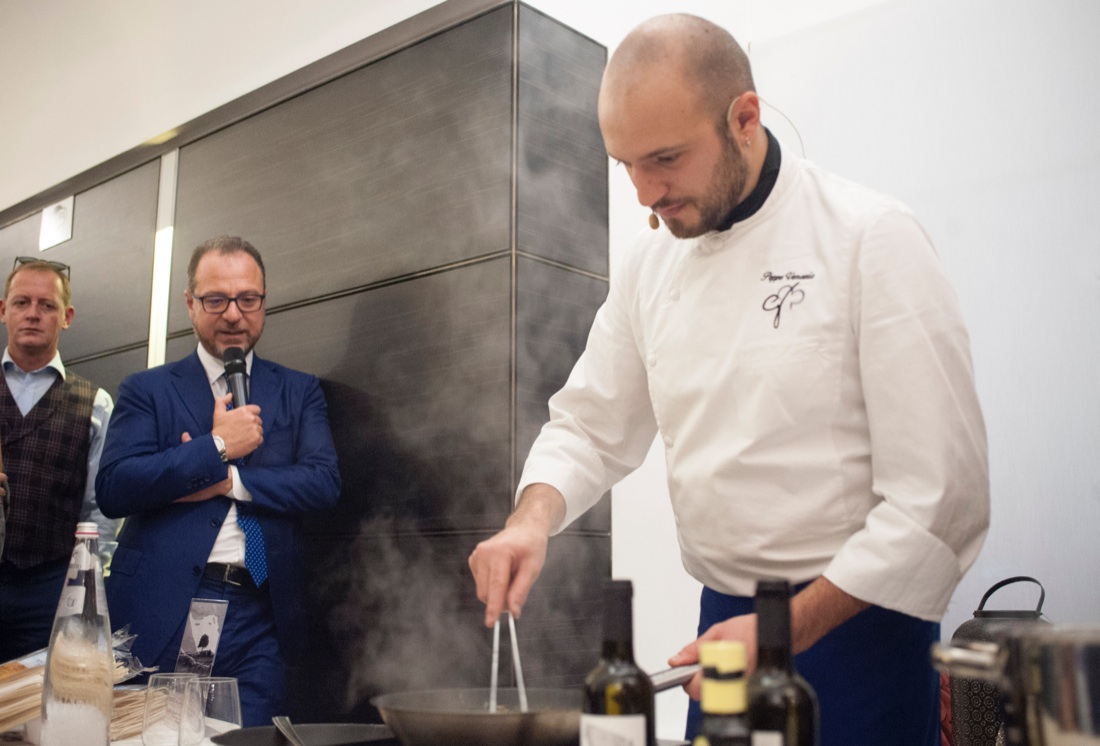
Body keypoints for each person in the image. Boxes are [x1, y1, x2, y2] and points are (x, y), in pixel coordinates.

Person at [467, 13, 989, 746]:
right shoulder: (653, 266)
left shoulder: (871, 238)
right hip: (723, 627)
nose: (646, 192)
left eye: (666, 159)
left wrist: (790, 627)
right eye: (627, 166)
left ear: (745, 116)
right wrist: (530, 521)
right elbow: (590, 424)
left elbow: (940, 502)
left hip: (857, 631)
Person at [96, 236, 341, 726]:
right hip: (163, 603)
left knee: (248, 738)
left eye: (248, 299)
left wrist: (229, 479)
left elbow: (323, 482)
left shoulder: (298, 390)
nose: (234, 314)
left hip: (261, 613)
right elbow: (115, 487)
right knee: (152, 737)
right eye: (216, 300)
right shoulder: (147, 389)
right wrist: (214, 446)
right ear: (190, 303)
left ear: (264, 302)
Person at [0, 257, 115, 663]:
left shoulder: (96, 404)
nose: (33, 314)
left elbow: (98, 511)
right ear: (3, 311)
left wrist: (85, 585)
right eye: (21, 303)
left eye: (46, 305)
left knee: (39, 711)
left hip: (50, 588)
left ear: (66, 317)